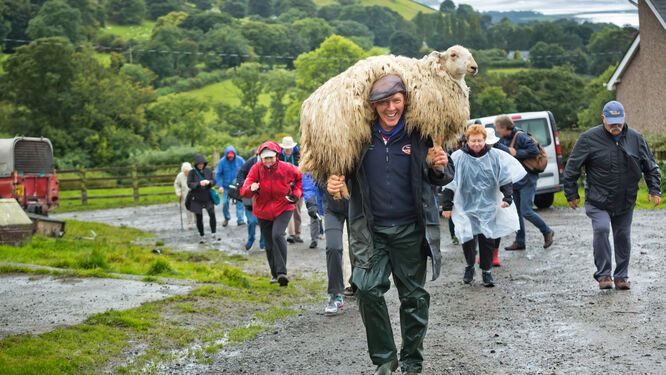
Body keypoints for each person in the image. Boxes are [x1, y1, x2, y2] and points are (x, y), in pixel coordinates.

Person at [327, 74, 453, 375]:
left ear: (405, 100)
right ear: (373, 106)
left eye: (395, 100)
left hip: (410, 229)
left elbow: (442, 176)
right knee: (367, 289)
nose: (390, 107)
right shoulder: (358, 138)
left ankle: (412, 362)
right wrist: (332, 181)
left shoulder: (420, 135)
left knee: (413, 298)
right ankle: (385, 358)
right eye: (383, 102)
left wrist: (440, 167)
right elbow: (335, 171)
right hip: (371, 231)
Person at [562, 101, 661, 290]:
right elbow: (572, 168)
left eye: (619, 121)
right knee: (601, 229)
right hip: (598, 199)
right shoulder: (588, 139)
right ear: (603, 118)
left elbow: (650, 166)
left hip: (625, 198)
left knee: (623, 236)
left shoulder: (636, 139)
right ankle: (604, 275)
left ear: (624, 118)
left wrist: (654, 189)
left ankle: (621, 277)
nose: (616, 126)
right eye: (611, 122)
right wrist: (571, 193)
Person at [441, 125, 526, 286]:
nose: (477, 144)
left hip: (488, 205)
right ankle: (469, 266)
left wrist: (507, 198)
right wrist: (447, 206)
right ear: (467, 140)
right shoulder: (458, 157)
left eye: (480, 140)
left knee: (488, 238)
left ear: (484, 140)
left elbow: (505, 178)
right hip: (465, 205)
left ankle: (486, 271)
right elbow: (450, 182)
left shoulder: (495, 156)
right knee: (467, 236)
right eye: (473, 140)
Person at [240, 141, 302, 287]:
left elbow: (300, 178)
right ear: (260, 158)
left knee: (277, 235)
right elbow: (244, 191)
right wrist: (251, 188)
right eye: (265, 158)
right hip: (262, 210)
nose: (268, 161)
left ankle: (282, 272)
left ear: (277, 156)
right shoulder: (256, 169)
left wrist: (296, 194)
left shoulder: (287, 168)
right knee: (268, 243)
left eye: (271, 157)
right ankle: (275, 274)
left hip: (284, 207)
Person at [496, 115, 555, 250]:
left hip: (528, 178)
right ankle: (520, 241)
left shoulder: (520, 136)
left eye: (498, 128)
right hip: (515, 180)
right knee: (516, 212)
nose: (498, 131)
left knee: (526, 211)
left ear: (505, 127)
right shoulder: (504, 139)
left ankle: (547, 231)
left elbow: (533, 150)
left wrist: (516, 153)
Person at [322, 185, 349, 316]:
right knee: (333, 247)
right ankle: (335, 295)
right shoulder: (321, 163)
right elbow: (310, 177)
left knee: (358, 247)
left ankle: (361, 287)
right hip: (332, 207)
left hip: (356, 203)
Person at [236, 149, 265, 251]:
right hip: (250, 198)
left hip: (264, 197)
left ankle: (263, 242)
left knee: (263, 222)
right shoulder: (251, 162)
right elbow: (240, 174)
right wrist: (247, 186)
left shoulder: (271, 163)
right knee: (252, 221)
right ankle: (251, 239)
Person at [188, 154, 218, 243]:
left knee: (212, 214)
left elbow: (214, 181)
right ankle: (202, 235)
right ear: (196, 164)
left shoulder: (208, 171)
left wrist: (209, 182)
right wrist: (198, 184)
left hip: (208, 196)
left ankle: (213, 233)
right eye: (199, 164)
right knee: (199, 217)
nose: (200, 165)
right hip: (197, 197)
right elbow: (189, 184)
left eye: (202, 164)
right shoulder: (192, 172)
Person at [279, 136, 304, 244]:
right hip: (285, 189)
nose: (288, 150)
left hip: (299, 188)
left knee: (297, 212)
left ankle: (297, 234)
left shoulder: (299, 156)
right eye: (286, 148)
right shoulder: (279, 156)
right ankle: (291, 234)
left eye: (289, 148)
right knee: (289, 210)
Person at [215, 146, 245, 227]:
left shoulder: (240, 160)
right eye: (229, 156)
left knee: (240, 203)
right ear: (226, 155)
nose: (231, 157)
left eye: (232, 156)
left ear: (234, 155)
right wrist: (220, 186)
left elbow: (246, 171)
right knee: (225, 203)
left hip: (238, 186)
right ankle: (226, 218)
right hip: (226, 187)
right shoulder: (222, 162)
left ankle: (240, 219)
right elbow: (218, 174)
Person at [302, 172, 323, 249]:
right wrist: (311, 202)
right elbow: (308, 184)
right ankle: (314, 239)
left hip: (329, 195)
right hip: (315, 195)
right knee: (314, 216)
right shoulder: (310, 164)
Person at [174, 162, 195, 230]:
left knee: (196, 209)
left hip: (194, 195)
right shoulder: (180, 176)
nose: (187, 173)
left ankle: (198, 222)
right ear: (183, 171)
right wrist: (178, 193)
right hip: (184, 196)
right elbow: (177, 184)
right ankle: (190, 223)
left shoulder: (194, 174)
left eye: (188, 171)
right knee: (187, 210)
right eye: (185, 172)